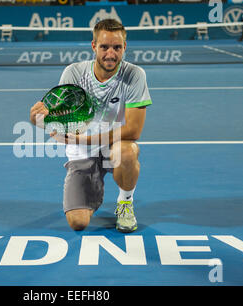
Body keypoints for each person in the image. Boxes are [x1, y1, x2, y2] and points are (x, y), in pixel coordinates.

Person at [29, 19, 152, 233]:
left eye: (117, 47)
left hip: (113, 145)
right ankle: (92, 186)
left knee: (128, 151)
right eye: (104, 47)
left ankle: (125, 203)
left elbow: (133, 130)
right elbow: (58, 119)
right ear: (94, 46)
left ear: (125, 47)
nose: (110, 54)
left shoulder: (134, 75)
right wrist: (39, 120)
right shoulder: (74, 73)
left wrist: (85, 138)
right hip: (81, 153)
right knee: (78, 223)